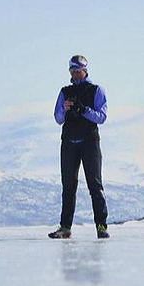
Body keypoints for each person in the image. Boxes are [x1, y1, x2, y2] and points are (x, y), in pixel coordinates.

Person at [49, 55, 109, 239]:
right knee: (68, 187)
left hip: (90, 142)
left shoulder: (96, 90)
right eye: (72, 71)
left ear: (85, 70)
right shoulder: (64, 91)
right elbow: (58, 118)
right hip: (69, 143)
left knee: (95, 185)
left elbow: (102, 117)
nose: (75, 74)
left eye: (78, 71)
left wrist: (83, 109)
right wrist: (65, 109)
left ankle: (101, 226)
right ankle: (65, 227)